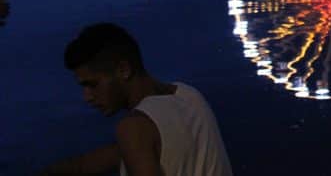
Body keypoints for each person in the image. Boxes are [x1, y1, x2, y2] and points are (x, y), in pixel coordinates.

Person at [44, 23, 233, 175]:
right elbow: (111, 156)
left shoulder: (133, 128)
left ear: (123, 70)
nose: (87, 97)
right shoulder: (189, 96)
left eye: (92, 85)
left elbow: (135, 142)